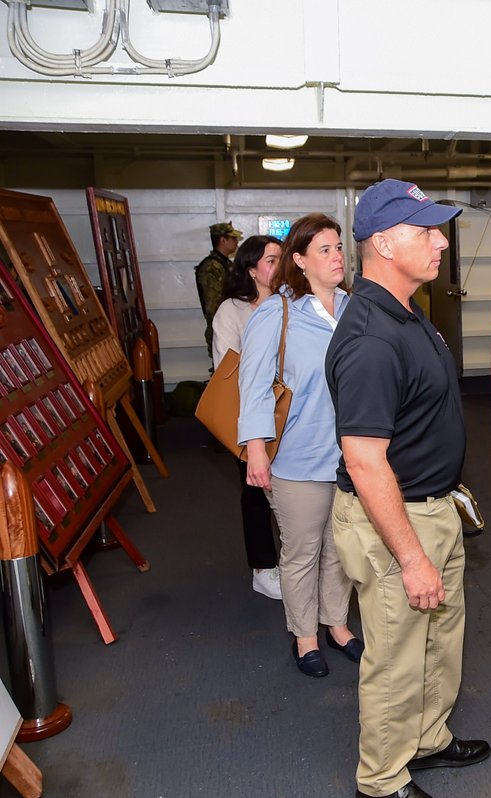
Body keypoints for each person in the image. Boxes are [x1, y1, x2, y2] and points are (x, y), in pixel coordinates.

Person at [327, 179, 490, 798]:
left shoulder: (407, 310)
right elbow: (365, 461)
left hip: (432, 506)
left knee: (440, 640)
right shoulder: (371, 336)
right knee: (395, 658)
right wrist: (412, 555)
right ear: (385, 243)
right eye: (425, 231)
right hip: (395, 522)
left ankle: (428, 739)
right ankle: (383, 779)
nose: (441, 243)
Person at [238, 213, 359, 679]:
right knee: (303, 549)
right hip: (295, 458)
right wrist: (254, 450)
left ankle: (337, 625)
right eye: (324, 250)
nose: (336, 256)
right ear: (300, 261)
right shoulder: (278, 312)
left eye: (338, 247)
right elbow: (251, 387)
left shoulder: (353, 308)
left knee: (341, 548)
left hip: (349, 458)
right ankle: (304, 636)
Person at [212, 234, 284, 601]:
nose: (279, 266)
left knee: (292, 493)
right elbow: (228, 369)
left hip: (292, 414)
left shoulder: (292, 303)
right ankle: (263, 567)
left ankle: (294, 562)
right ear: (252, 269)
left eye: (282, 259)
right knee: (256, 493)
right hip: (250, 415)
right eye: (271, 260)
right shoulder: (232, 311)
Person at [196, 221, 242, 360]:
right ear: (223, 240)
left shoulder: (225, 264)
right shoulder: (212, 267)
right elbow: (212, 306)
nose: (236, 243)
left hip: (232, 325)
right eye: (233, 239)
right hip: (222, 329)